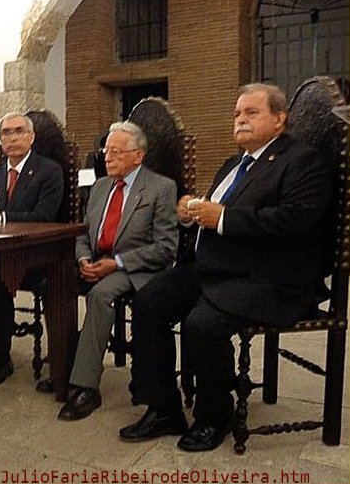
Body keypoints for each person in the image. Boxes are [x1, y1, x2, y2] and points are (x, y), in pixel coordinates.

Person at [118, 83, 332, 452]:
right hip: (216, 267)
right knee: (148, 302)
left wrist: (222, 218)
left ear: (279, 119)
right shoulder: (234, 164)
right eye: (237, 114)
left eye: (251, 112)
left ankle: (214, 416)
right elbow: (216, 215)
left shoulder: (303, 161)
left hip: (269, 277)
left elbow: (296, 221)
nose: (240, 120)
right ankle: (164, 408)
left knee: (202, 324)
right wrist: (191, 213)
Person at [55, 121, 178, 420]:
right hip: (97, 259)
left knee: (100, 295)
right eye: (105, 151)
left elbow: (165, 248)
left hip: (134, 266)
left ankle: (85, 386)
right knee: (55, 283)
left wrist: (117, 263)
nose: (107, 158)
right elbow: (83, 234)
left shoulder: (161, 188)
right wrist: (84, 259)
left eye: (115, 152)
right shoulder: (100, 187)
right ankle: (60, 370)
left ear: (137, 156)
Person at [0, 112, 64, 386]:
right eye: (6, 133)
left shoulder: (49, 171)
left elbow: (44, 216)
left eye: (19, 131)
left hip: (35, 254)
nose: (12, 138)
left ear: (31, 137)